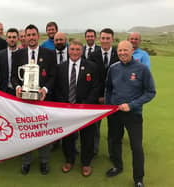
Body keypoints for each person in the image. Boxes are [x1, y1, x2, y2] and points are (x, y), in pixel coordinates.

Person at [105, 40, 156, 187]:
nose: (122, 53)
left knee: (136, 147)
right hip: (114, 113)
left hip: (133, 114)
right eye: (120, 51)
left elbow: (151, 92)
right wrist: (109, 105)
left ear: (132, 50)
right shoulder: (113, 68)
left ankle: (138, 179)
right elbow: (108, 89)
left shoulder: (142, 69)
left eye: (125, 50)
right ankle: (117, 166)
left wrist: (132, 105)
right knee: (114, 141)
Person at [11, 24, 56, 175]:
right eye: (28, 35)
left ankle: (44, 161)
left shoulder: (49, 53)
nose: (31, 37)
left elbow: (52, 76)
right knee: (27, 131)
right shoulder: (18, 54)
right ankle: (26, 161)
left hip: (42, 100)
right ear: (25, 37)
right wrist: (17, 87)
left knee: (43, 130)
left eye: (33, 35)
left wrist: (45, 89)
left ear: (38, 36)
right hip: (24, 101)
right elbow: (13, 76)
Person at [55, 39, 100, 176]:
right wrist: (64, 104)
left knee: (87, 137)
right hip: (67, 109)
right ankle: (69, 160)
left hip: (85, 110)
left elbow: (96, 88)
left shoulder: (91, 67)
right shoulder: (60, 67)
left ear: (82, 51)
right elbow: (57, 89)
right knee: (67, 137)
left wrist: (85, 104)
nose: (74, 52)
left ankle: (86, 163)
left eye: (77, 50)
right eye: (72, 49)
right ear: (68, 50)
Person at [88, 28, 119, 156]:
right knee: (95, 127)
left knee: (114, 128)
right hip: (97, 98)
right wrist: (100, 96)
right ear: (99, 39)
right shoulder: (93, 55)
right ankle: (94, 150)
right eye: (103, 38)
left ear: (112, 39)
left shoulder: (118, 55)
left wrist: (109, 97)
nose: (105, 41)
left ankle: (113, 153)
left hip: (114, 99)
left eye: (108, 38)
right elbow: (91, 80)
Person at [0, 28, 19, 95]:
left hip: (19, 90)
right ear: (6, 39)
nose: (12, 39)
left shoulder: (23, 54)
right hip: (4, 90)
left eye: (14, 37)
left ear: (18, 38)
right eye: (9, 37)